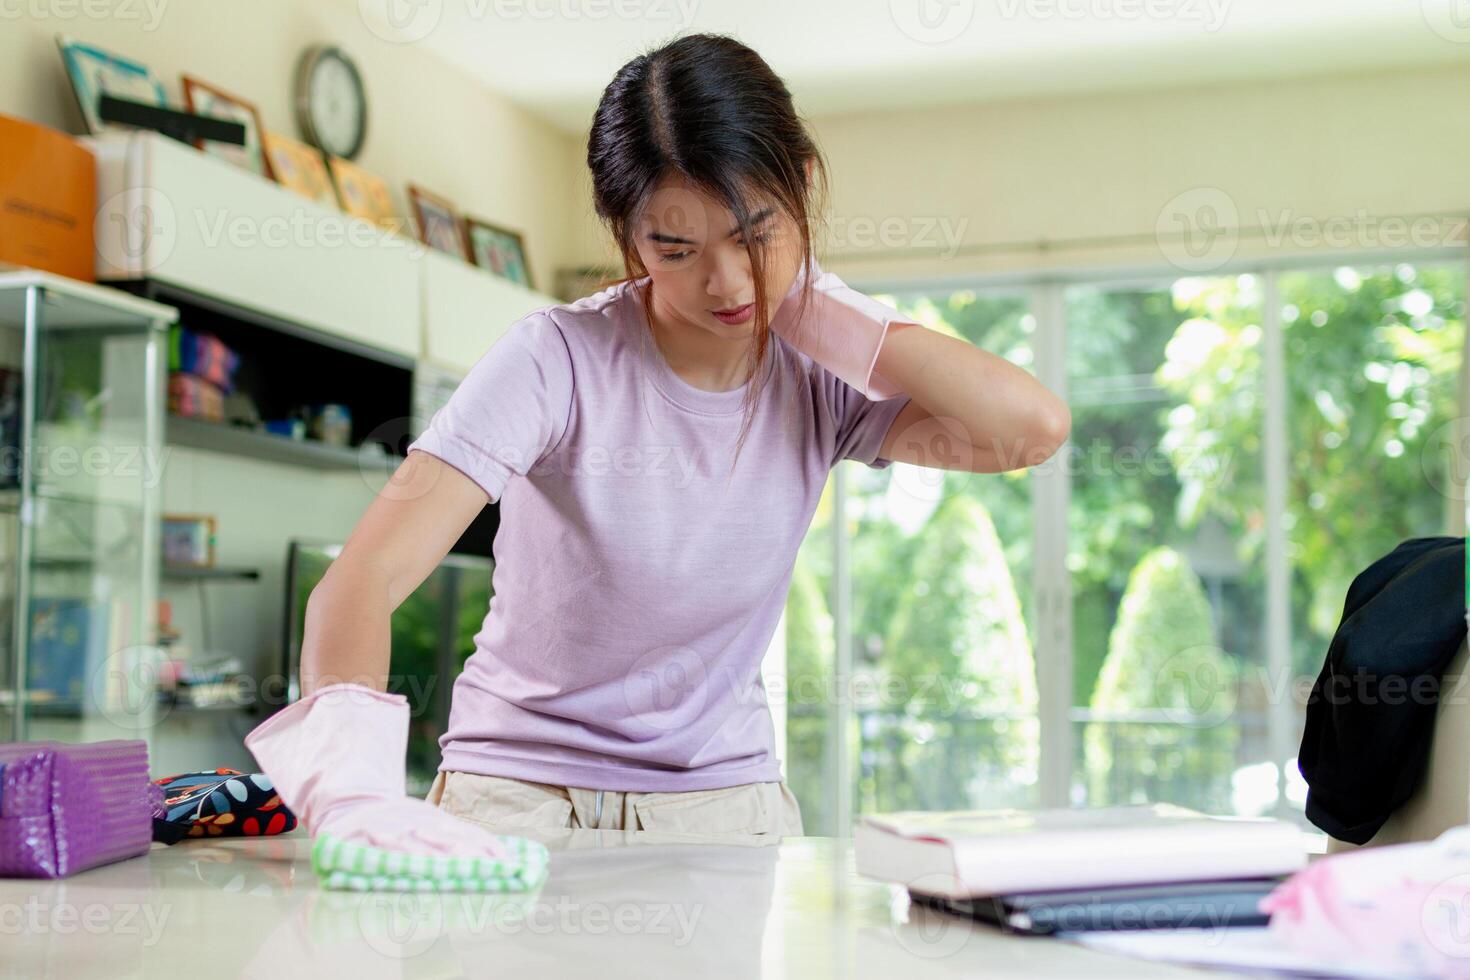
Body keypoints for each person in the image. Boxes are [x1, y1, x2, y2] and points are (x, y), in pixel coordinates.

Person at [284, 33, 1070, 839]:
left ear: (801, 186)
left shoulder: (822, 373)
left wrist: (834, 318)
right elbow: (361, 581)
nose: (727, 283)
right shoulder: (555, 359)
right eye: (678, 248)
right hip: (519, 795)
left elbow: (1029, 431)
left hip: (723, 806)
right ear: (628, 237)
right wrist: (350, 794)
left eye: (755, 234)